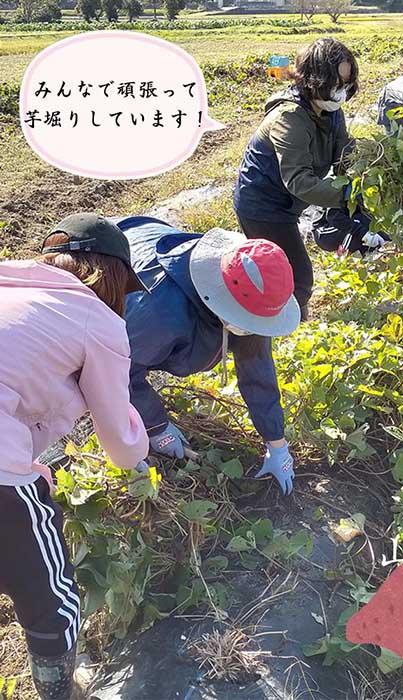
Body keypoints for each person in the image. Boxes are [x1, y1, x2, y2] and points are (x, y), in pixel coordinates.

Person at [1, 213, 149, 700]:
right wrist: (146, 442)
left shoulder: (10, 283)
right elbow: (121, 446)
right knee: (53, 601)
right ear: (112, 275)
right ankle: (59, 693)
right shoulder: (97, 320)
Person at [115, 216, 300, 495]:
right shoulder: (157, 312)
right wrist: (155, 426)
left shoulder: (253, 287)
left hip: (148, 244)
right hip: (110, 259)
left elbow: (256, 366)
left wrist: (278, 444)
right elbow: (119, 371)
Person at [234, 38, 359, 322]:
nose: (341, 92)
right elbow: (299, 182)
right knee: (298, 277)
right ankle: (287, 329)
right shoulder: (289, 118)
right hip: (262, 206)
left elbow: (344, 153)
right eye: (335, 83)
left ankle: (272, 318)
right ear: (315, 80)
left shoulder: (330, 112)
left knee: (278, 270)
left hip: (286, 205)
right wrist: (349, 194)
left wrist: (367, 174)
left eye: (346, 84)